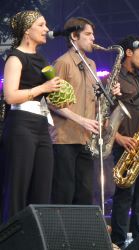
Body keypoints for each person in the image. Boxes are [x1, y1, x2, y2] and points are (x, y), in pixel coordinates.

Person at [50, 17, 120, 206]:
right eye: (88, 34)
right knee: (64, 191)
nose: (93, 38)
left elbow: (93, 101)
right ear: (74, 36)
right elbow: (50, 101)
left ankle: (80, 234)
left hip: (86, 139)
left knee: (85, 193)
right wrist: (81, 120)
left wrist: (109, 95)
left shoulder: (92, 65)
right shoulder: (62, 63)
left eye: (92, 34)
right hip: (64, 138)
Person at [1, 10, 60, 222]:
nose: (47, 29)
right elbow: (10, 96)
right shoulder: (15, 58)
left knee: (43, 186)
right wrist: (42, 87)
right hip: (21, 125)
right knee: (17, 187)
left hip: (40, 124)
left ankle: (37, 237)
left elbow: (45, 94)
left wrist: (59, 93)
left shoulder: (41, 58)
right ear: (27, 30)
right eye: (41, 25)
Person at [110, 35, 139, 248]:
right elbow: (102, 114)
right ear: (129, 52)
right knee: (124, 196)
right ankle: (117, 242)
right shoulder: (113, 78)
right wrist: (118, 138)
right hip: (124, 146)